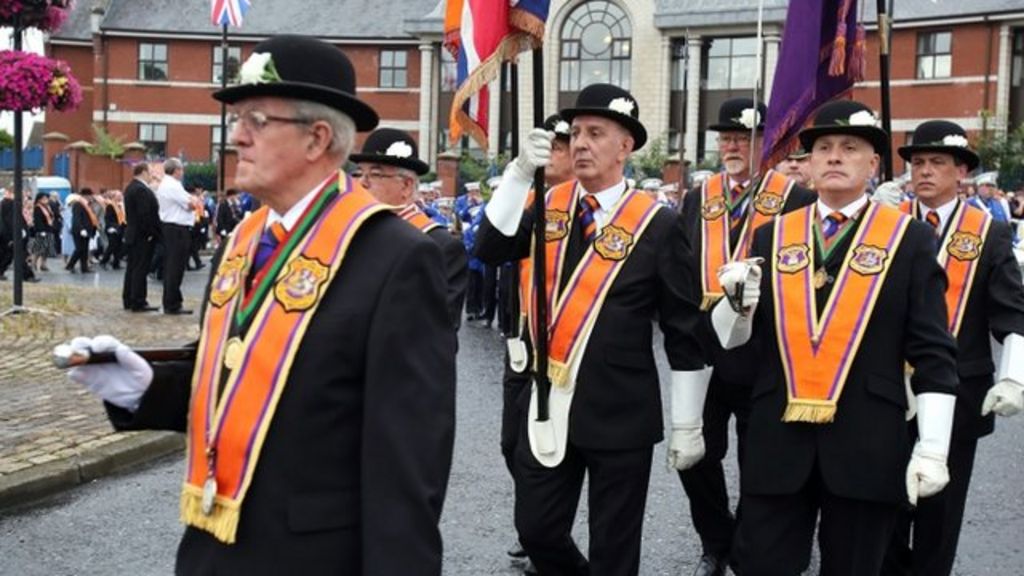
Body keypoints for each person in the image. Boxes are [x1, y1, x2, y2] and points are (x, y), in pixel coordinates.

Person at [63, 34, 455, 575]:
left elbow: (408, 461)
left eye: (256, 121)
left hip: (312, 558)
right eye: (236, 119)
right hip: (210, 546)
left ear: (318, 138)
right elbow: (240, 367)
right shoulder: (244, 238)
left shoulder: (395, 258)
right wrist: (147, 386)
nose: (237, 137)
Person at [709, 100, 958, 575]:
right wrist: (734, 305)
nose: (835, 156)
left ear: (874, 163)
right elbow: (735, 343)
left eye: (850, 147)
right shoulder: (772, 236)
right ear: (809, 162)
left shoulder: (909, 240)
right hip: (777, 441)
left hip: (867, 446)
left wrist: (932, 446)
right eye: (823, 148)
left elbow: (933, 351)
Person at [475, 83, 709, 576]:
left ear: (625, 147)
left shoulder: (658, 225)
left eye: (595, 133)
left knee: (615, 548)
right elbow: (490, 248)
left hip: (620, 409)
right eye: (576, 133)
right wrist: (518, 176)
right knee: (537, 529)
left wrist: (688, 424)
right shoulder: (548, 202)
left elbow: (683, 328)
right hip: (545, 403)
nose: (580, 143)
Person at [875, 120, 1024, 576]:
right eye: (917, 162)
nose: (924, 172)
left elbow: (1011, 311)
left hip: (960, 388)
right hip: (891, 387)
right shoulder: (887, 227)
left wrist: (1014, 374)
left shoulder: (989, 232)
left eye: (937, 162)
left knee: (940, 511)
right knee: (887, 501)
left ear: (961, 172)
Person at [676, 97, 817, 576]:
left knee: (763, 460)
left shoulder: (797, 198)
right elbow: (680, 264)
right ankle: (716, 540)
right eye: (727, 137)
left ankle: (754, 539)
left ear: (767, 144)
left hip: (764, 354)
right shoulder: (699, 196)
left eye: (743, 138)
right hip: (704, 355)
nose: (733, 145)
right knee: (693, 455)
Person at [497, 112, 582, 572]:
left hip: (569, 349)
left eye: (561, 146)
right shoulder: (530, 201)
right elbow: (490, 246)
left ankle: (548, 537)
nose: (553, 154)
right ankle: (543, 533)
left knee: (555, 450)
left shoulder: (592, 210)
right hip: (522, 344)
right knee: (514, 446)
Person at [350, 127, 468, 330]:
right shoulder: (348, 234)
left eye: (375, 174)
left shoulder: (441, 246)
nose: (362, 183)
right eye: (359, 174)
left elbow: (437, 331)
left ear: (406, 186)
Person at [155, 158, 195, 315]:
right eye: (181, 169)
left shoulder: (170, 185)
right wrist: (194, 201)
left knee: (175, 265)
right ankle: (172, 303)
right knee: (175, 266)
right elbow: (190, 204)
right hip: (176, 227)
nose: (182, 172)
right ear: (176, 170)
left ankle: (173, 300)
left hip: (173, 227)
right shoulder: (172, 185)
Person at [122, 162, 161, 312]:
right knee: (140, 269)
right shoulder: (140, 190)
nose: (152, 175)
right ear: (144, 172)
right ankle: (138, 300)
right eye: (150, 172)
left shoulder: (131, 187)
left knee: (132, 268)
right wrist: (152, 233)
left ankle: (129, 298)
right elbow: (145, 215)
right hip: (142, 236)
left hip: (133, 234)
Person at [65, 187, 97, 274]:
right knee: (79, 249)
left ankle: (84, 267)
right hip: (79, 231)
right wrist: (81, 229)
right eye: (90, 195)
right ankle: (70, 265)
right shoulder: (78, 204)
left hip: (87, 230)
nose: (92, 197)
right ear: (86, 195)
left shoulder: (87, 204)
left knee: (84, 250)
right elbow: (77, 218)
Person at [99, 189, 126, 270]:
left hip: (119, 228)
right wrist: (113, 227)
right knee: (112, 246)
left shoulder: (120, 205)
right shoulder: (110, 206)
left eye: (121, 196)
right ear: (114, 197)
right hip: (112, 229)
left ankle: (116, 264)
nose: (121, 197)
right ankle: (103, 261)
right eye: (118, 196)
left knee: (118, 246)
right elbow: (108, 218)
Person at [30, 192, 55, 273]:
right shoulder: (37, 208)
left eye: (46, 198)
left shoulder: (47, 207)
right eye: (44, 198)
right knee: (38, 249)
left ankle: (43, 264)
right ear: (39, 199)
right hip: (41, 231)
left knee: (47, 249)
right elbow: (38, 220)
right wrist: (41, 230)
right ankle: (33, 264)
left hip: (49, 229)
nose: (46, 200)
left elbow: (51, 216)